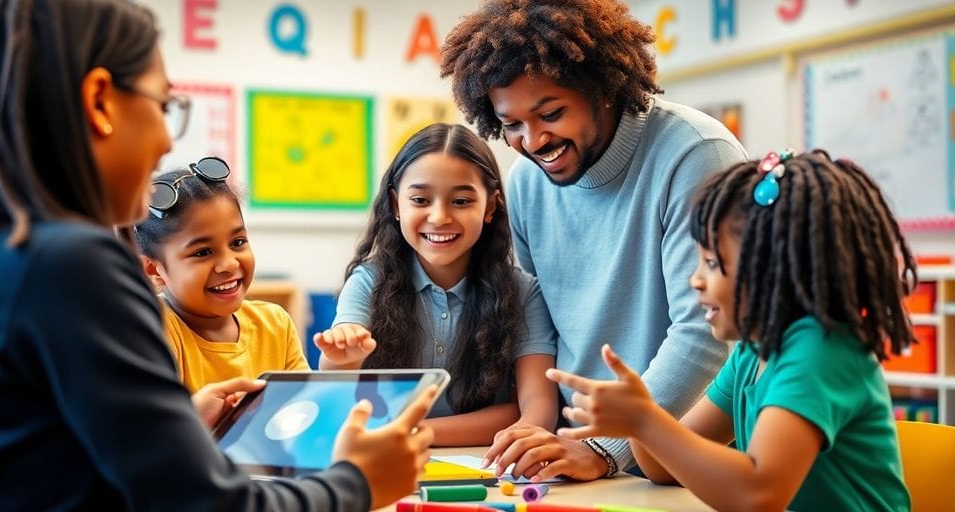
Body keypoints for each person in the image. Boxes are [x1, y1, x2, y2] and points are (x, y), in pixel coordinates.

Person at [0, 1, 434, 510]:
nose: (167, 138)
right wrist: (358, 482)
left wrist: (179, 433)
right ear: (100, 101)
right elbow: (200, 504)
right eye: (164, 105)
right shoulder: (67, 264)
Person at [440, 0, 747, 478]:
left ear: (601, 87)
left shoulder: (695, 154)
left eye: (551, 113)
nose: (534, 140)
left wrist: (606, 448)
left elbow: (703, 334)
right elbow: (540, 329)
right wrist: (547, 433)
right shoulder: (524, 184)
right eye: (512, 125)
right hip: (573, 454)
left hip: (684, 459)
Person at [548, 150, 914, 511]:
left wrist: (646, 421)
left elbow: (758, 494)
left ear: (774, 269)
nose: (696, 280)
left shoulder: (822, 351)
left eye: (711, 262)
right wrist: (639, 419)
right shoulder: (753, 351)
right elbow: (663, 469)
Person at [315, 123, 558, 446]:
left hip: (482, 467)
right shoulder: (368, 282)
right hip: (382, 459)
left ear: (490, 206)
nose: (440, 216)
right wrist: (341, 356)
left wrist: (409, 431)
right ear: (395, 205)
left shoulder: (523, 292)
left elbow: (534, 409)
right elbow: (337, 390)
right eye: (420, 199)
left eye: (460, 201)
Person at [134, 158, 309, 394]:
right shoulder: (153, 326)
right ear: (153, 270)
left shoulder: (275, 324)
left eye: (238, 242)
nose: (228, 263)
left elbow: (300, 410)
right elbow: (151, 426)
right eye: (203, 252)